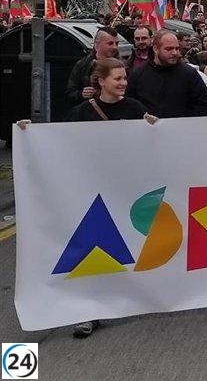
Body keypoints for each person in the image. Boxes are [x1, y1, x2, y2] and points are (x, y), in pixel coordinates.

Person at [48, 57, 156, 337]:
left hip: (125, 192)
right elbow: (56, 141)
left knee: (127, 248)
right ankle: (89, 312)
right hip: (92, 195)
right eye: (117, 79)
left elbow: (154, 144)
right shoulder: (81, 113)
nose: (123, 83)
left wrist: (155, 128)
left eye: (124, 78)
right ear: (101, 81)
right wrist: (26, 134)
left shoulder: (136, 109)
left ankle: (127, 297)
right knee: (92, 252)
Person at [126, 30, 207, 118]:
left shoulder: (189, 74)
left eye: (177, 48)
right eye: (169, 49)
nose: (174, 53)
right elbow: (129, 105)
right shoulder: (138, 74)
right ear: (156, 49)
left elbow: (204, 106)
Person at [66, 26, 121, 107]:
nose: (115, 47)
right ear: (97, 44)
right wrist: (81, 94)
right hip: (89, 114)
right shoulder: (83, 65)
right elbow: (70, 93)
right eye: (110, 43)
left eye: (116, 43)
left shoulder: (122, 65)